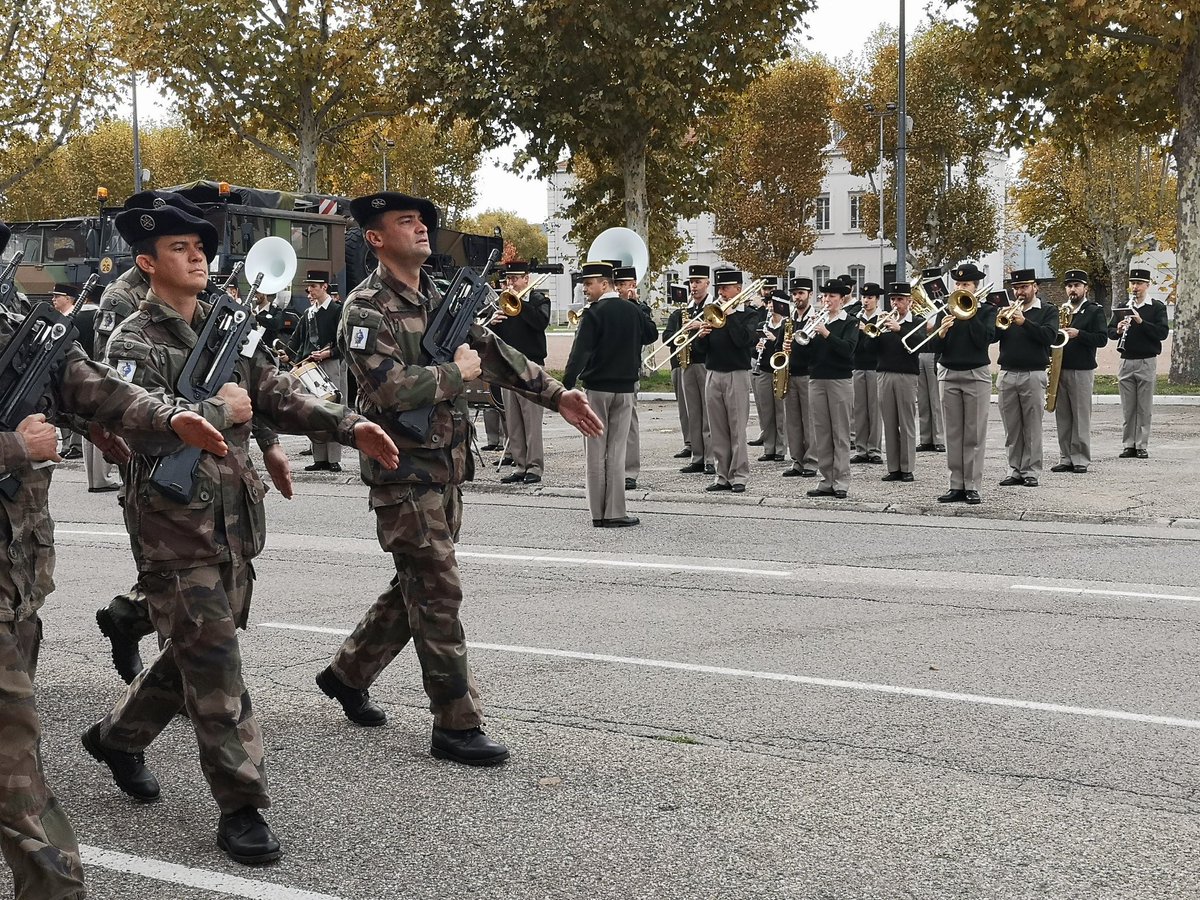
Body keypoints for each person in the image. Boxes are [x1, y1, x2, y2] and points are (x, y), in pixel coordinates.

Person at [83, 200, 400, 866]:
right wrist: (210, 408)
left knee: (194, 657)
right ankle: (243, 806)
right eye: (179, 248)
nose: (197, 255)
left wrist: (346, 425)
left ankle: (118, 736)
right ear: (147, 262)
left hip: (233, 525)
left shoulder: (225, 328)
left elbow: (278, 390)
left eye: (200, 246)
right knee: (218, 666)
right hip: (173, 532)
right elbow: (132, 423)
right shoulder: (131, 341)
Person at [317, 192, 602, 767]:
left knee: (418, 588)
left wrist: (555, 394)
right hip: (402, 472)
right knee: (439, 590)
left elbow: (491, 353)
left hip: (447, 468)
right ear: (375, 237)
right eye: (405, 221)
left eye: (422, 220)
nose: (421, 228)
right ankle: (456, 722)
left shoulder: (441, 297)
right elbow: (389, 391)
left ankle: (348, 674)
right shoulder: (365, 309)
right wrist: (456, 372)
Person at [0, 219, 230, 900]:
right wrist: (13, 449)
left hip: (16, 585)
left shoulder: (14, 316)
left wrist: (164, 418)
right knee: (17, 773)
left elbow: (88, 384)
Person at [563, 261, 655, 523]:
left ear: (605, 284)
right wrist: (637, 304)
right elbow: (650, 335)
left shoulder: (594, 313)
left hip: (597, 390)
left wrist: (566, 387)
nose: (585, 290)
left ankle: (597, 513)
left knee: (595, 451)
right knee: (616, 451)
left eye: (588, 284)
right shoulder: (632, 310)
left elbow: (580, 353)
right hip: (625, 390)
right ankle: (616, 512)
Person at [926, 262, 996, 505]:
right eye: (957, 283)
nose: (959, 287)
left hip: (976, 373)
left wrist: (970, 312)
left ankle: (973, 486)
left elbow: (985, 339)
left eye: (965, 284)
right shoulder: (945, 309)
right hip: (949, 374)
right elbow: (934, 347)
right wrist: (942, 333)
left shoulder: (987, 310)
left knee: (974, 434)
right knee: (953, 434)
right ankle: (955, 485)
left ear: (976, 287)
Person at [695, 269, 757, 493]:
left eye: (725, 288)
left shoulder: (749, 314)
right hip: (713, 372)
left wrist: (730, 316)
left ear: (738, 289)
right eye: (719, 289)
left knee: (736, 427)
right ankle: (722, 475)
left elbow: (744, 341)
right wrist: (701, 337)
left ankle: (739, 475)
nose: (721, 293)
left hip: (737, 373)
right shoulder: (712, 312)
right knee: (717, 427)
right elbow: (702, 350)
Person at [490, 261, 552, 485]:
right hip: (508, 367)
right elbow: (492, 338)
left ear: (527, 278)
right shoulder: (503, 303)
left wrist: (521, 304)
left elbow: (540, 323)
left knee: (531, 421)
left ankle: (534, 467)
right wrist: (493, 322)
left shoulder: (539, 300)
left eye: (516, 278)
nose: (511, 283)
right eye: (509, 279)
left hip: (531, 366)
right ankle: (520, 465)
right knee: (513, 420)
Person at [996, 268, 1058, 488]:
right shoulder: (1008, 311)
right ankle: (1015, 470)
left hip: (1033, 373)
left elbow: (1049, 336)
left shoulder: (1048, 311)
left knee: (1032, 426)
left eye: (1024, 287)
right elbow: (994, 336)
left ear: (1035, 287)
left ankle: (1031, 471)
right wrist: (998, 319)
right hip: (1007, 372)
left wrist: (1024, 322)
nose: (1020, 292)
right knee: (1011, 427)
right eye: (1016, 288)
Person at [1050, 269, 1108, 474]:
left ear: (1085, 288)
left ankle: (1080, 458)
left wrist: (1079, 334)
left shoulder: (1093, 310)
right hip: (1061, 367)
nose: (1072, 289)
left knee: (1081, 415)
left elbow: (1102, 338)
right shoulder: (1061, 309)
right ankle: (1065, 457)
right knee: (1063, 416)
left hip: (1082, 369)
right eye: (1069, 286)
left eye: (1076, 285)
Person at [1109, 267, 1170, 459]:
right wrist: (1118, 329)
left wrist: (1141, 321)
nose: (1135, 287)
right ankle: (1129, 444)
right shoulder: (1122, 305)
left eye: (1139, 284)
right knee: (1128, 407)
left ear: (1147, 285)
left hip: (1146, 360)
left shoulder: (1156, 307)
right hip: (1126, 360)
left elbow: (1162, 333)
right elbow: (1110, 332)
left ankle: (1141, 444)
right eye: (1132, 283)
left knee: (1144, 406)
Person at [806, 280, 858, 499]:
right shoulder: (817, 322)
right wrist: (804, 338)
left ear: (842, 299)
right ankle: (826, 479)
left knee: (840, 433)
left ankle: (841, 481)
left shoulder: (850, 322)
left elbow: (848, 350)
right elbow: (805, 356)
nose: (826, 301)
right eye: (824, 297)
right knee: (822, 433)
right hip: (817, 379)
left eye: (832, 297)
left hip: (839, 380)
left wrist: (826, 333)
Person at [289, 270, 345, 471]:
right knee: (313, 411)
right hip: (310, 366)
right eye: (308, 286)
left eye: (313, 286)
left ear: (324, 287)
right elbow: (297, 341)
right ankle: (319, 458)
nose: (309, 290)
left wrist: (327, 354)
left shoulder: (338, 310)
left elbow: (345, 342)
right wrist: (290, 357)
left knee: (332, 410)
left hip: (329, 363)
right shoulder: (308, 313)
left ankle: (333, 459)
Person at [874, 283, 923, 482]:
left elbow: (918, 345)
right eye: (893, 299)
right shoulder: (884, 322)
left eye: (900, 299)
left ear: (909, 302)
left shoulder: (916, 322)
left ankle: (907, 467)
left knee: (906, 422)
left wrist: (899, 329)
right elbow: (871, 349)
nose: (895, 303)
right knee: (890, 422)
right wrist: (874, 332)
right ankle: (893, 467)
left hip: (906, 375)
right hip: (884, 374)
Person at [613, 266, 653, 490]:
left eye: (626, 284)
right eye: (618, 284)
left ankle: (629, 472)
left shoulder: (641, 308)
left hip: (629, 371)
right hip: (607, 372)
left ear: (634, 284)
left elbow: (648, 335)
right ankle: (612, 468)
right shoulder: (607, 305)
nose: (621, 288)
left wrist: (637, 306)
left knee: (628, 424)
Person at [676, 266, 714, 476]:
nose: (694, 286)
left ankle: (711, 458)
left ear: (707, 283)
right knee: (693, 412)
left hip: (705, 363)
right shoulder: (687, 309)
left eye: (698, 281)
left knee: (708, 413)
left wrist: (699, 325)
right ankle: (697, 457)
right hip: (687, 363)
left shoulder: (712, 307)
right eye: (691, 282)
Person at [782, 277, 818, 478]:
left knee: (809, 420)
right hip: (790, 373)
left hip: (807, 374)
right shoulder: (790, 320)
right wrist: (783, 347)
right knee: (793, 421)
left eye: (801, 293)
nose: (797, 297)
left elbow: (816, 349)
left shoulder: (815, 319)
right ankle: (797, 460)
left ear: (809, 295)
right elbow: (779, 344)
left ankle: (812, 461)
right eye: (795, 294)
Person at [750, 293, 788, 462]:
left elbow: (786, 350)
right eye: (768, 303)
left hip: (779, 371)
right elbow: (751, 349)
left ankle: (780, 449)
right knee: (766, 411)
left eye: (773, 303)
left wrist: (774, 340)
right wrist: (757, 346)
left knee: (780, 412)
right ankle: (769, 448)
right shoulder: (762, 325)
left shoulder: (786, 325)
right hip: (764, 370)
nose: (770, 306)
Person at [851, 282, 884, 465]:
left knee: (874, 409)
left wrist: (866, 330)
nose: (866, 301)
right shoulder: (856, 317)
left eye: (870, 298)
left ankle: (874, 449)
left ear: (877, 300)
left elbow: (880, 345)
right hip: (858, 365)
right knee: (859, 409)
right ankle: (861, 449)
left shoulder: (882, 317)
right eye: (864, 297)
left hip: (875, 367)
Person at [915, 267, 946, 453]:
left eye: (932, 283)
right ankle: (926, 438)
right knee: (923, 399)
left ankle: (939, 438)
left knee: (935, 398)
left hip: (934, 354)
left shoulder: (945, 304)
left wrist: (932, 328)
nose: (929, 287)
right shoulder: (918, 306)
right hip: (920, 352)